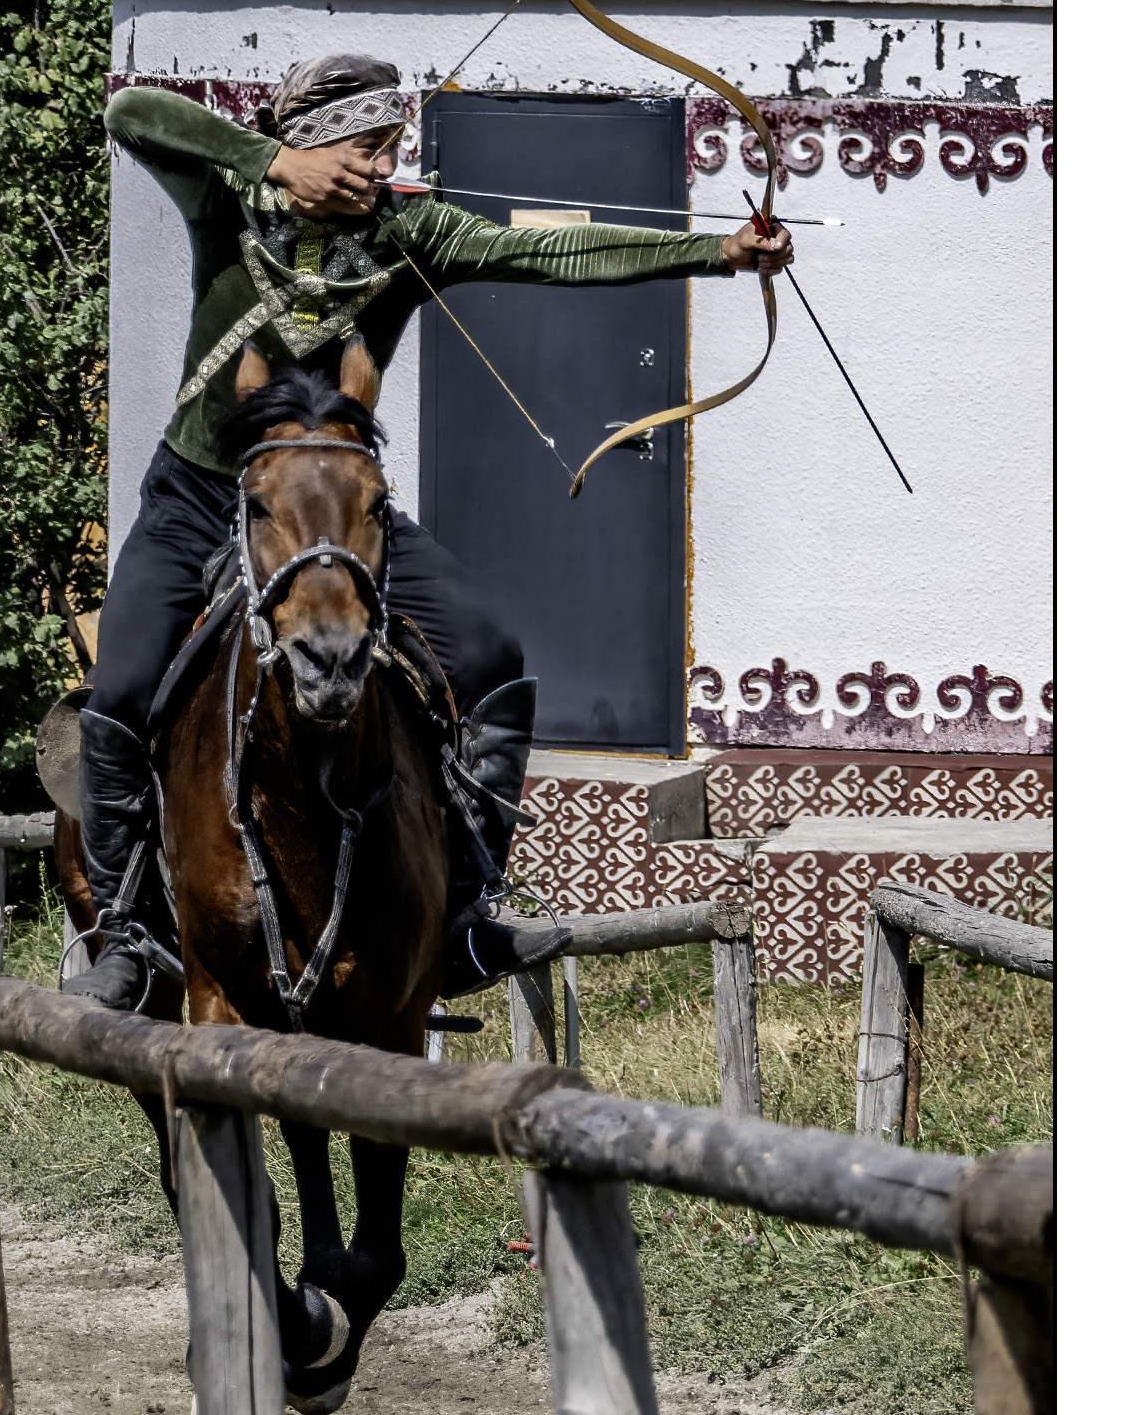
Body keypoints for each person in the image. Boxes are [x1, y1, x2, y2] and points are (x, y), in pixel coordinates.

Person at [68, 54, 792, 1009]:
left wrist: (718, 254)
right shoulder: (230, 196)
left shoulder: (409, 231)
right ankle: (128, 937)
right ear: (319, 142)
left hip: (341, 513)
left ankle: (464, 909)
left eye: (391, 147)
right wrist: (274, 163)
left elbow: (555, 253)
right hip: (202, 496)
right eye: (369, 147)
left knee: (488, 655)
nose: (384, 166)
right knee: (120, 692)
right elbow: (130, 109)